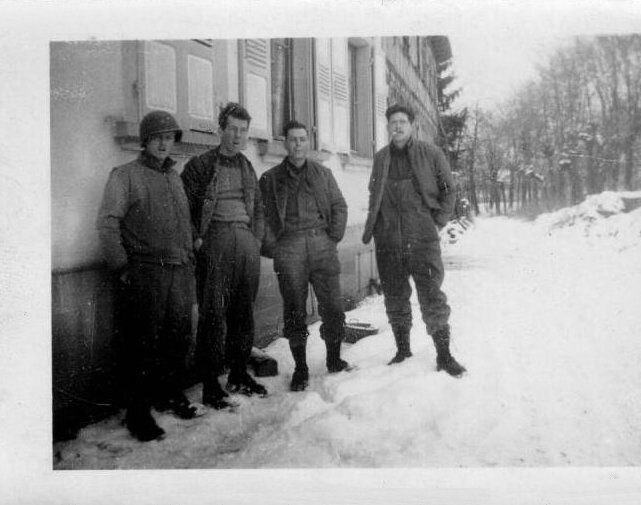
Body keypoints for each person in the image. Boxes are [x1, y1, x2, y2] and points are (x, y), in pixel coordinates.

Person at [97, 110, 202, 442]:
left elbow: (181, 221)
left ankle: (168, 395)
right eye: (157, 137)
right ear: (145, 141)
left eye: (169, 137)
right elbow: (108, 222)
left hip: (179, 271)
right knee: (141, 344)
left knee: (178, 337)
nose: (163, 143)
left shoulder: (174, 176)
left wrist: (191, 247)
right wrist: (122, 267)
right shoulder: (125, 175)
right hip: (145, 273)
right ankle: (137, 413)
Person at [362, 104, 466, 377]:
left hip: (422, 240)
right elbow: (375, 195)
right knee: (395, 297)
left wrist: (437, 222)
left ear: (412, 125)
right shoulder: (381, 158)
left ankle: (444, 355)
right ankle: (402, 349)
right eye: (392, 122)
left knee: (432, 295)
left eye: (402, 122)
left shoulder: (430, 154)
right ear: (388, 127)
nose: (397, 126)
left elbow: (448, 190)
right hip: (389, 242)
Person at [181, 103, 267, 410]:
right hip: (215, 241)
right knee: (213, 315)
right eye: (231, 129)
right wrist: (198, 240)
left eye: (243, 131)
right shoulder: (200, 165)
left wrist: (255, 241)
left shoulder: (246, 167)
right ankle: (210, 383)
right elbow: (185, 209)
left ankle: (239, 372)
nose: (237, 136)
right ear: (220, 130)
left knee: (243, 311)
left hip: (245, 244)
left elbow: (257, 208)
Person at [259, 120, 352, 392]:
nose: (298, 144)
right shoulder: (271, 179)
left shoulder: (323, 174)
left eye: (302, 139)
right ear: (284, 143)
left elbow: (339, 206)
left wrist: (332, 236)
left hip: (321, 244)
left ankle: (334, 359)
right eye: (292, 140)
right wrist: (273, 247)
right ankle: (301, 369)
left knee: (333, 306)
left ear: (308, 142)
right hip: (289, 248)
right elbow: (260, 215)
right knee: (294, 310)